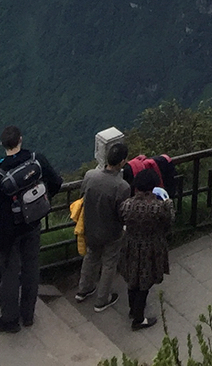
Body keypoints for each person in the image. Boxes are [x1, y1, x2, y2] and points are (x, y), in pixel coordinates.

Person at [0, 126, 62, 332]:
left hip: (9, 232)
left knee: (9, 273)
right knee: (31, 268)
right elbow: (57, 183)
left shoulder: (0, 173)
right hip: (33, 224)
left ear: (3, 145)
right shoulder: (36, 160)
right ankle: (28, 316)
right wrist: (42, 202)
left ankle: (10, 320)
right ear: (20, 140)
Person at [75, 140, 131, 313]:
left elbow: (82, 195)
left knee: (91, 256)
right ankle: (102, 299)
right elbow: (122, 213)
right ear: (122, 162)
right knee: (109, 263)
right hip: (111, 232)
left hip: (91, 227)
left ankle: (83, 289)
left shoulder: (90, 175)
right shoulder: (122, 186)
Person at [120, 167, 173, 331]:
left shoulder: (126, 205)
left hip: (130, 244)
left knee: (132, 277)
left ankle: (132, 309)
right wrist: (168, 203)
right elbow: (170, 221)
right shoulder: (158, 208)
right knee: (145, 280)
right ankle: (138, 318)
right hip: (151, 246)